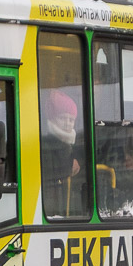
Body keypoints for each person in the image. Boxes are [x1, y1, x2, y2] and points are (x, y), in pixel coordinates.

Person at [40, 88, 85, 218]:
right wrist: (70, 166)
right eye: (62, 118)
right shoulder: (46, 143)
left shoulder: (71, 144)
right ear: (52, 118)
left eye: (71, 120)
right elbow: (50, 171)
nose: (67, 123)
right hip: (50, 203)